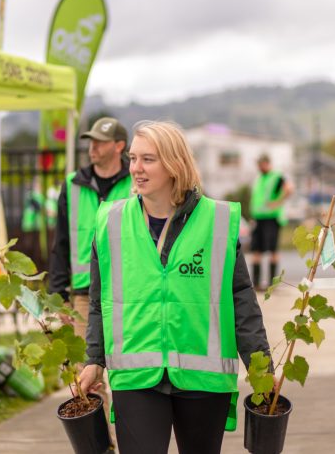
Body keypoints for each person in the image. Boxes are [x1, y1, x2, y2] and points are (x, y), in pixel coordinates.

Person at [78, 121, 272, 454]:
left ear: (174, 164)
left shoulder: (218, 221)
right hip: (137, 375)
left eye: (148, 160)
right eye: (134, 159)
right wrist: (94, 358)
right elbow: (99, 301)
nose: (136, 168)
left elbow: (240, 298)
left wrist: (260, 364)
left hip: (203, 378)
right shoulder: (110, 221)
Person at [49, 117, 131, 414]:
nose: (92, 147)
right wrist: (58, 296)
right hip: (85, 295)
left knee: (129, 373)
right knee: (89, 379)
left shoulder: (136, 182)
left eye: (100, 141)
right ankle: (103, 446)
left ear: (119, 146)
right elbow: (60, 244)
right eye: (91, 141)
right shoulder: (72, 185)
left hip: (130, 292)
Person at [250, 154, 293, 290]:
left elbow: (289, 188)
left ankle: (272, 284)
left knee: (272, 250)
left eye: (262, 164)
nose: (260, 167)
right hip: (258, 218)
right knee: (256, 250)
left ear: (267, 163)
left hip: (272, 218)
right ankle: (256, 283)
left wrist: (277, 202)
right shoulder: (259, 178)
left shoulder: (276, 176)